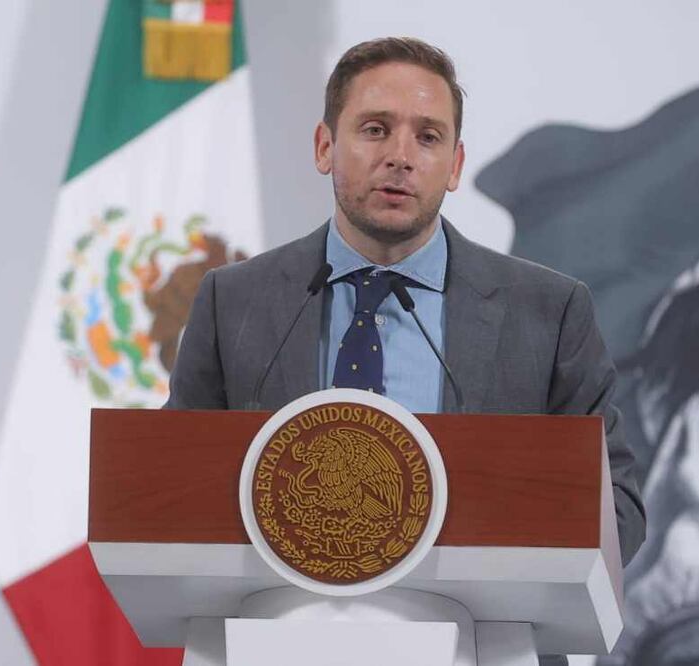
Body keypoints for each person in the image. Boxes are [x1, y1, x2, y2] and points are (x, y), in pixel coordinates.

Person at [165, 37, 644, 566]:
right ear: (324, 146)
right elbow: (171, 489)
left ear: (456, 165)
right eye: (375, 130)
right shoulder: (233, 301)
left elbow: (616, 509)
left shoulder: (549, 313)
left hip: (477, 641)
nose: (400, 157)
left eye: (428, 137)